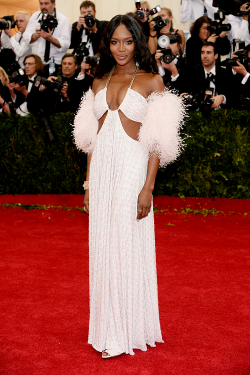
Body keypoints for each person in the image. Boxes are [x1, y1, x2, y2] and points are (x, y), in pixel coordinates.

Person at [73, 14, 185, 358]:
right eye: (114, 42)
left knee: (125, 244)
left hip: (132, 173)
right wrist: (89, 186)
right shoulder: (98, 81)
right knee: (104, 248)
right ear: (107, 45)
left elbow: (157, 142)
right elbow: (91, 141)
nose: (120, 48)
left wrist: (148, 187)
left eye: (128, 41)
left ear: (138, 42)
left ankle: (126, 332)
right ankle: (107, 328)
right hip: (103, 173)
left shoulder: (153, 81)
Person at [22, 0, 71, 76]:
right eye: (41, 4)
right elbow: (25, 37)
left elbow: (66, 44)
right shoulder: (35, 17)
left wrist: (50, 39)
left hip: (55, 64)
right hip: (37, 64)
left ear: (53, 4)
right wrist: (33, 36)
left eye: (46, 3)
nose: (43, 6)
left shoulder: (63, 20)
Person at [181, 42, 232, 110]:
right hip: (196, 113)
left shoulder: (225, 73)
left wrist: (223, 98)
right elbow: (185, 91)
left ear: (216, 55)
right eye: (203, 52)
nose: (205, 56)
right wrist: (183, 96)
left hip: (220, 114)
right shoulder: (192, 72)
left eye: (208, 53)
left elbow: (233, 96)